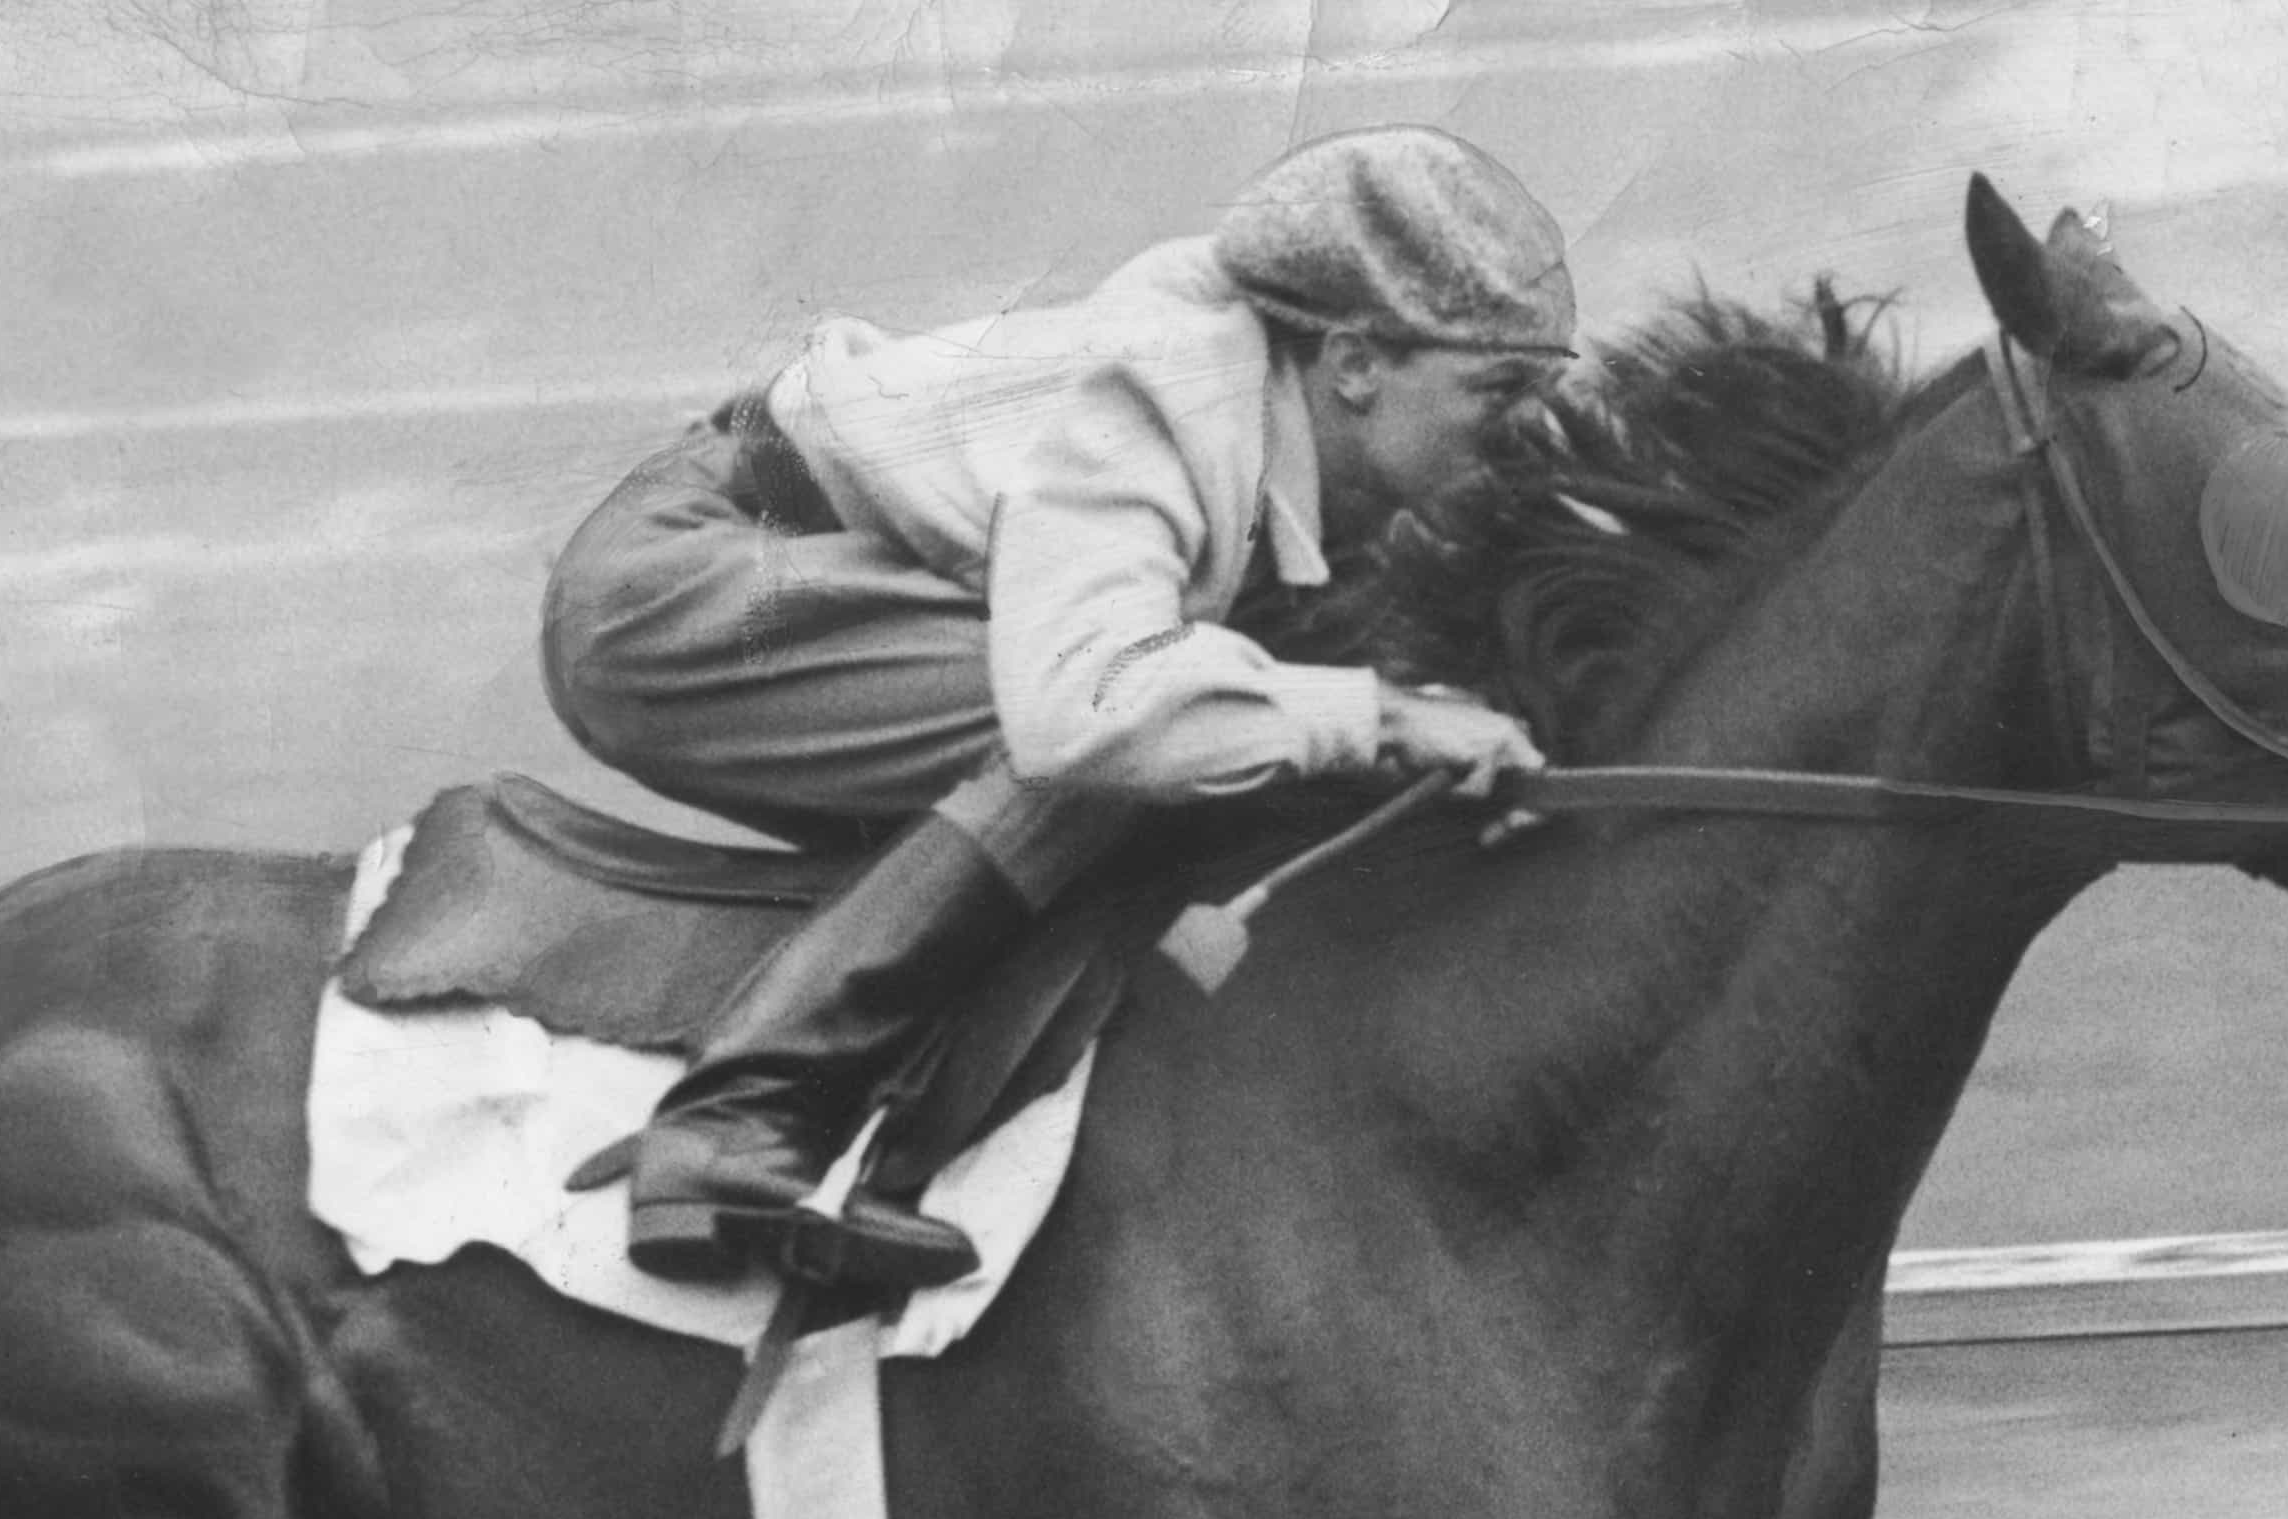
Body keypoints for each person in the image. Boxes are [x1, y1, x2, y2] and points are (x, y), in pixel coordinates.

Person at [540, 124, 1573, 1296]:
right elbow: (1084, 710)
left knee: (1222, 720)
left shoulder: (1293, 432)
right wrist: (1382, 718)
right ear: (1352, 362)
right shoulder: (1162, 396)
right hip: (688, 590)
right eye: (1499, 389)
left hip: (798, 575)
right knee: (1110, 730)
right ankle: (732, 1123)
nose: (1525, 431)